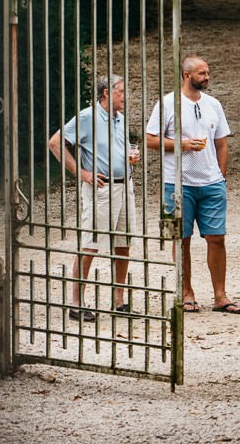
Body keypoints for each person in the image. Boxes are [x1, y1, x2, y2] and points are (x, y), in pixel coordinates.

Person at [144, 56, 240, 313]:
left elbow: (222, 142)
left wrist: (221, 177)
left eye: (208, 72)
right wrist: (183, 145)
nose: (207, 77)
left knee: (217, 238)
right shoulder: (167, 104)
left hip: (211, 185)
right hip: (175, 185)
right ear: (187, 75)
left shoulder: (214, 104)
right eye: (202, 73)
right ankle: (186, 293)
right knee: (180, 239)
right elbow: (150, 141)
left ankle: (220, 295)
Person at [48, 75, 137, 321]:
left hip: (125, 186)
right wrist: (82, 173)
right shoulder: (88, 117)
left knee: (123, 243)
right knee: (91, 244)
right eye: (121, 92)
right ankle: (76, 303)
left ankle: (119, 302)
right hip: (101, 189)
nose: (124, 97)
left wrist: (131, 157)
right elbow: (55, 143)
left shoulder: (120, 118)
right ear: (106, 92)